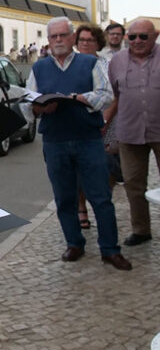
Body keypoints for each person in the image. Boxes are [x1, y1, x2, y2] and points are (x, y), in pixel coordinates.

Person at [27, 17, 131, 270]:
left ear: (73, 37)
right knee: (64, 198)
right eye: (54, 37)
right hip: (54, 141)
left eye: (63, 35)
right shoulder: (39, 68)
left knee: (100, 197)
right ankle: (74, 243)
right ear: (49, 40)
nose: (59, 40)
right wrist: (39, 108)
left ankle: (110, 249)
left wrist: (80, 98)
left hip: (88, 139)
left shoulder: (91, 62)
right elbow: (27, 100)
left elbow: (106, 94)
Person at [107, 19, 160, 246]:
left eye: (143, 37)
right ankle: (141, 229)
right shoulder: (116, 61)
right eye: (133, 36)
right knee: (133, 183)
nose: (137, 41)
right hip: (129, 132)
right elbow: (116, 94)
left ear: (155, 36)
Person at [73, 24, 108, 229]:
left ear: (98, 43)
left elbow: (114, 97)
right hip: (81, 127)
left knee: (105, 171)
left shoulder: (105, 64)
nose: (85, 44)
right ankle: (81, 209)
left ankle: (102, 207)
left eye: (89, 40)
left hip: (107, 124)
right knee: (78, 172)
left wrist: (105, 122)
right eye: (82, 40)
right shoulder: (73, 65)